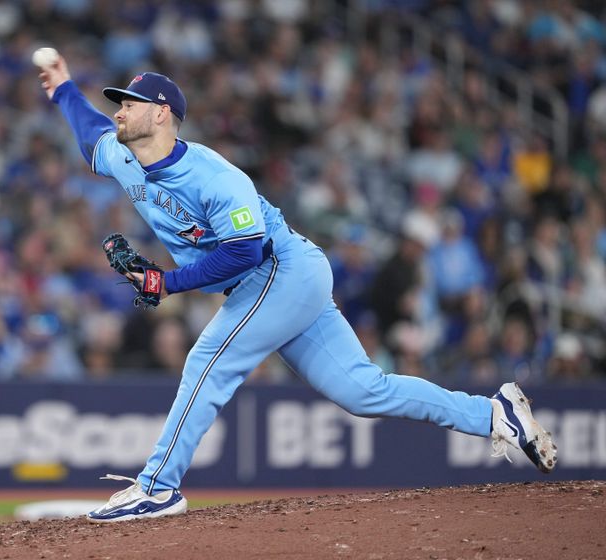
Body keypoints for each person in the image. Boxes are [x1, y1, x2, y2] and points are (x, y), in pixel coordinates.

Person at [37, 54, 557, 523]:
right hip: (267, 284)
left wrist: (167, 283)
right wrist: (63, 87)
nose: (120, 110)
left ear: (161, 114)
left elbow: (245, 251)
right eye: (119, 103)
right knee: (362, 391)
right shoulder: (124, 157)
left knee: (207, 362)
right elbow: (88, 135)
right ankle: (494, 414)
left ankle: (158, 487)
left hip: (281, 269)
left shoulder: (216, 176)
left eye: (130, 102)